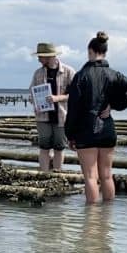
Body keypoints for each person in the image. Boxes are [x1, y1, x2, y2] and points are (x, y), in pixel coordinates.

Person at [65, 31, 127, 204]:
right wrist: (115, 105)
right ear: (105, 52)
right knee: (107, 175)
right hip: (107, 128)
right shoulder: (114, 74)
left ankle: (91, 219)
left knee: (91, 177)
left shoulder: (81, 76)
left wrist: (70, 134)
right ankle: (107, 218)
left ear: (90, 51)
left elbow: (73, 108)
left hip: (86, 129)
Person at [29, 42, 76, 171]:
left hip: (62, 116)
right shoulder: (38, 73)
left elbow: (77, 95)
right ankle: (44, 174)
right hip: (43, 116)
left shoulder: (68, 72)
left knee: (59, 148)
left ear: (49, 56)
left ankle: (57, 174)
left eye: (40, 57)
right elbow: (31, 93)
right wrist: (35, 102)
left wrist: (57, 98)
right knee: (44, 147)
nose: (38, 59)